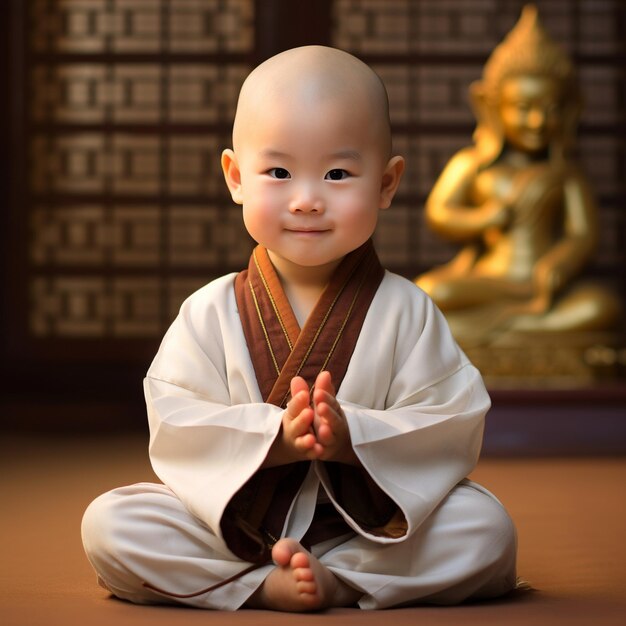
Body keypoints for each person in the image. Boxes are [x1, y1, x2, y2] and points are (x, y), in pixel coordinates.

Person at [81, 45, 517, 612]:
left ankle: (340, 577)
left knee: (485, 527)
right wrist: (275, 441)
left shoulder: (408, 309)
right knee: (112, 523)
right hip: (233, 527)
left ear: (387, 183)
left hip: (372, 529)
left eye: (338, 173)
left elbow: (449, 419)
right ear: (236, 177)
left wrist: (352, 437)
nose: (307, 200)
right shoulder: (210, 310)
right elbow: (176, 415)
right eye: (279, 172)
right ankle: (262, 583)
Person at [415, 5, 621, 348]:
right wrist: (482, 218)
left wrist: (561, 263)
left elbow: (583, 235)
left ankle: (496, 330)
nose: (538, 121)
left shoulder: (565, 175)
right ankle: (517, 327)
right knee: (429, 292)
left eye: (550, 109)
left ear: (569, 111)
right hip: (490, 280)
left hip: (540, 284)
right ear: (492, 107)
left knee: (601, 307)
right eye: (524, 109)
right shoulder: (472, 164)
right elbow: (439, 213)